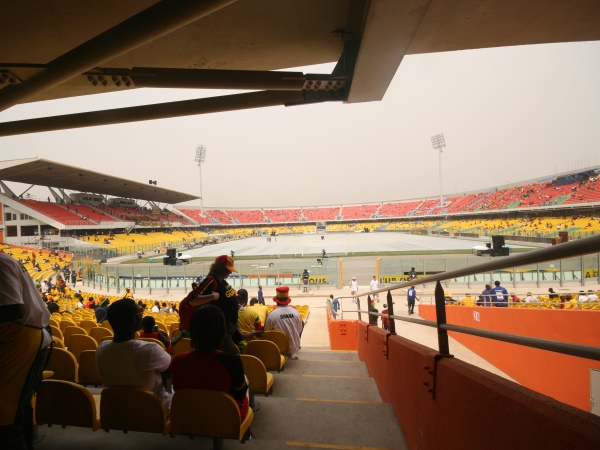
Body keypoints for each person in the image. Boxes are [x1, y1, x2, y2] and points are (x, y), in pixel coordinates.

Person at [0, 253, 52, 450]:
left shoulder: (2, 264)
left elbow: (13, 308)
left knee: (7, 413)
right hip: (16, 341)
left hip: (21, 344)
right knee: (16, 408)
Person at [171, 305, 250, 421]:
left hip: (190, 414)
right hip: (225, 417)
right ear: (222, 331)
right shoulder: (232, 361)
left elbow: (178, 389)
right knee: (245, 384)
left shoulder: (178, 360)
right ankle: (246, 434)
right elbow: (240, 394)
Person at [96, 299, 172, 412]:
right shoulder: (150, 350)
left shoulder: (101, 349)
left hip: (117, 409)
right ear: (134, 319)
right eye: (140, 313)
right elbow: (171, 368)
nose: (142, 315)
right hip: (152, 410)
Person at [178, 255, 239, 354]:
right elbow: (192, 301)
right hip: (220, 330)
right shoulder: (210, 280)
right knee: (231, 356)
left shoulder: (222, 281)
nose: (230, 272)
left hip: (229, 327)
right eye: (228, 269)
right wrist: (213, 297)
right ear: (220, 269)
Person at [264, 287, 303, 360]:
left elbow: (267, 331)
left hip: (278, 347)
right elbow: (299, 330)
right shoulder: (296, 313)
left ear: (277, 301)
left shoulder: (272, 315)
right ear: (288, 301)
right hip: (294, 347)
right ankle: (291, 354)